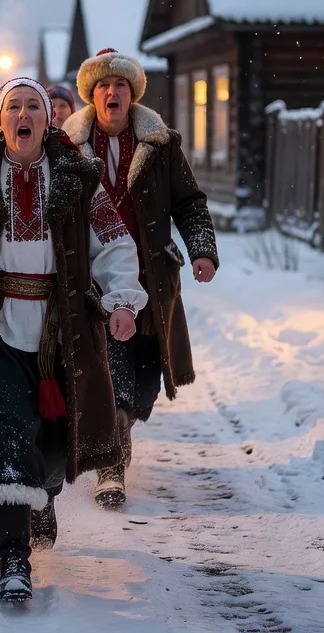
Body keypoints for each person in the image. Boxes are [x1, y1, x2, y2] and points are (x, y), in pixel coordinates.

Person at [0, 77, 146, 602]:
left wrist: (124, 298)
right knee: (5, 438)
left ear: (48, 119)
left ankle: (45, 495)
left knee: (53, 446)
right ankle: (13, 558)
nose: (24, 114)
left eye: (33, 105)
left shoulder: (80, 179)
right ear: (0, 120)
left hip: (62, 337)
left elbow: (115, 243)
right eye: (13, 106)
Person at [62, 48, 218, 510]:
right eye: (103, 87)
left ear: (133, 94)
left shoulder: (160, 144)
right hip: (92, 279)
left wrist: (202, 250)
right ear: (91, 96)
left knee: (145, 373)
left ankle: (120, 432)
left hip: (151, 277)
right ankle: (111, 469)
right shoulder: (68, 149)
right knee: (111, 368)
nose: (112, 93)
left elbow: (189, 202)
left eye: (121, 86)